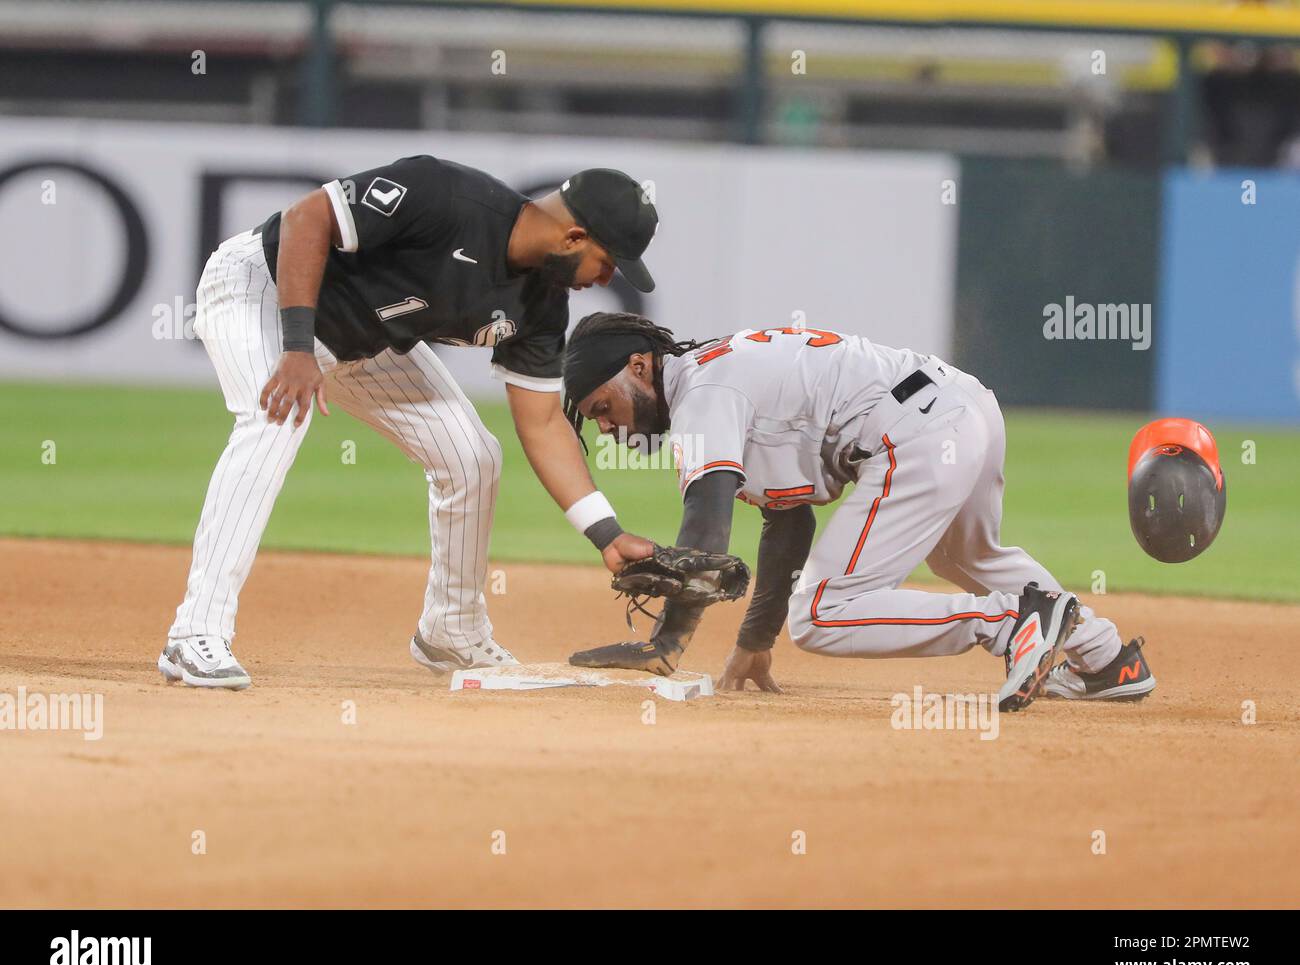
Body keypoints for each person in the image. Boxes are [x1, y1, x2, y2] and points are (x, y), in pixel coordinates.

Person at [159, 161, 657, 689]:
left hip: (360, 343)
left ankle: (452, 630)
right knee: (276, 416)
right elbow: (307, 218)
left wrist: (607, 533)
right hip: (261, 287)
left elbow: (542, 424)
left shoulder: (541, 306)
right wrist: (298, 346)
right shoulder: (445, 195)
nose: (605, 280)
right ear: (574, 236)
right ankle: (194, 634)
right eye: (607, 263)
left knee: (473, 457)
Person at [561, 312, 1156, 710]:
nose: (608, 426)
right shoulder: (713, 376)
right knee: (967, 555)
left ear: (639, 366)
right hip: (960, 404)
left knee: (821, 616)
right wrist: (754, 640)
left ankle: (1006, 625)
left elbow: (705, 530)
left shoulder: (703, 394)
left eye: (603, 405)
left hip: (913, 432)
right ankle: (1106, 661)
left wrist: (667, 640)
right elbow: (787, 522)